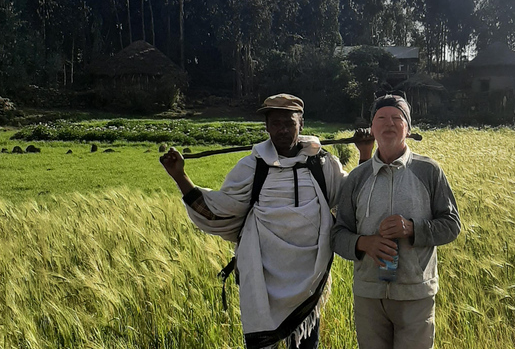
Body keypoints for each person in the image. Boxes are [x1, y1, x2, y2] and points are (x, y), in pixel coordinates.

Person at [160, 93, 373, 349]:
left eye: (289, 123)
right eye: (275, 124)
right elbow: (217, 210)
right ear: (267, 127)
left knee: (307, 343)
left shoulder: (322, 164)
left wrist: (366, 152)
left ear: (301, 124)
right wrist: (179, 177)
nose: (282, 130)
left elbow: (353, 199)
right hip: (261, 278)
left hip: (309, 279)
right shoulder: (251, 167)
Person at [331, 93, 461, 349]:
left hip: (415, 294)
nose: (389, 123)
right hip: (369, 295)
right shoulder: (357, 177)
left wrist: (413, 228)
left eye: (396, 118)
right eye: (381, 118)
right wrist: (364, 244)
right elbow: (337, 234)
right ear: (372, 128)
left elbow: (452, 224)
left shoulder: (428, 171)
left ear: (408, 128)